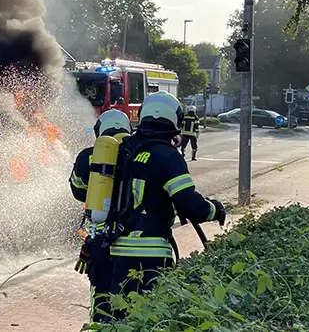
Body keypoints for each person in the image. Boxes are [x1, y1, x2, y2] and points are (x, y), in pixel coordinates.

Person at [85, 91, 225, 324]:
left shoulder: (123, 150)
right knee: (149, 320)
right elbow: (189, 204)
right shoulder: (166, 156)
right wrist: (215, 210)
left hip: (115, 252)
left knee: (118, 319)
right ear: (175, 120)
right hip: (149, 256)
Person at [69, 109, 133, 325]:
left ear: (100, 130)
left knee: (101, 295)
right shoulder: (137, 151)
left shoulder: (87, 156)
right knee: (131, 296)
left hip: (99, 239)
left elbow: (78, 191)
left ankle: (101, 325)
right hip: (132, 239)